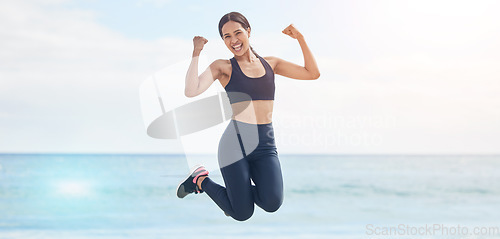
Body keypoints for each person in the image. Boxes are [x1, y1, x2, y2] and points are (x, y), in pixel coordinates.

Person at [176, 11, 320, 221]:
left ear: (248, 31)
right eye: (226, 36)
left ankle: (231, 192)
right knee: (242, 213)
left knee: (272, 202)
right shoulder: (223, 67)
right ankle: (200, 181)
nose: (233, 40)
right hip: (235, 145)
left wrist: (300, 38)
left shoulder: (271, 64)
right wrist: (196, 52)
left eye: (237, 32)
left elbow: (312, 73)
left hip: (265, 144)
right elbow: (191, 90)